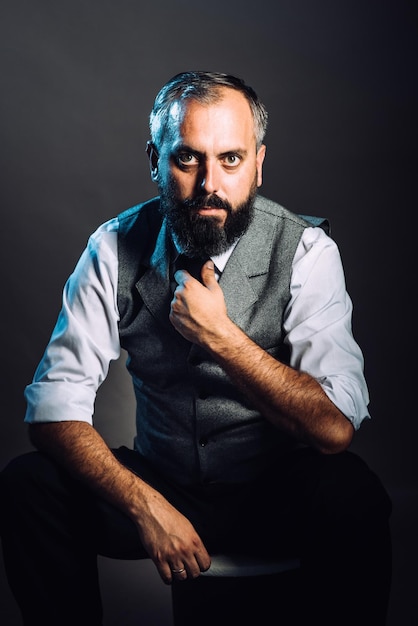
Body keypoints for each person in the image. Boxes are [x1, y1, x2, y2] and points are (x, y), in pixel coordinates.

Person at [0, 71, 392, 626]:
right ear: (155, 162)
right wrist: (147, 506)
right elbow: (51, 413)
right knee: (28, 486)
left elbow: (334, 430)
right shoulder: (113, 247)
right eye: (188, 159)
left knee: (354, 497)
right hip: (164, 482)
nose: (210, 183)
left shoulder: (307, 251)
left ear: (258, 163)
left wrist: (221, 337)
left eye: (230, 159)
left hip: (272, 491)